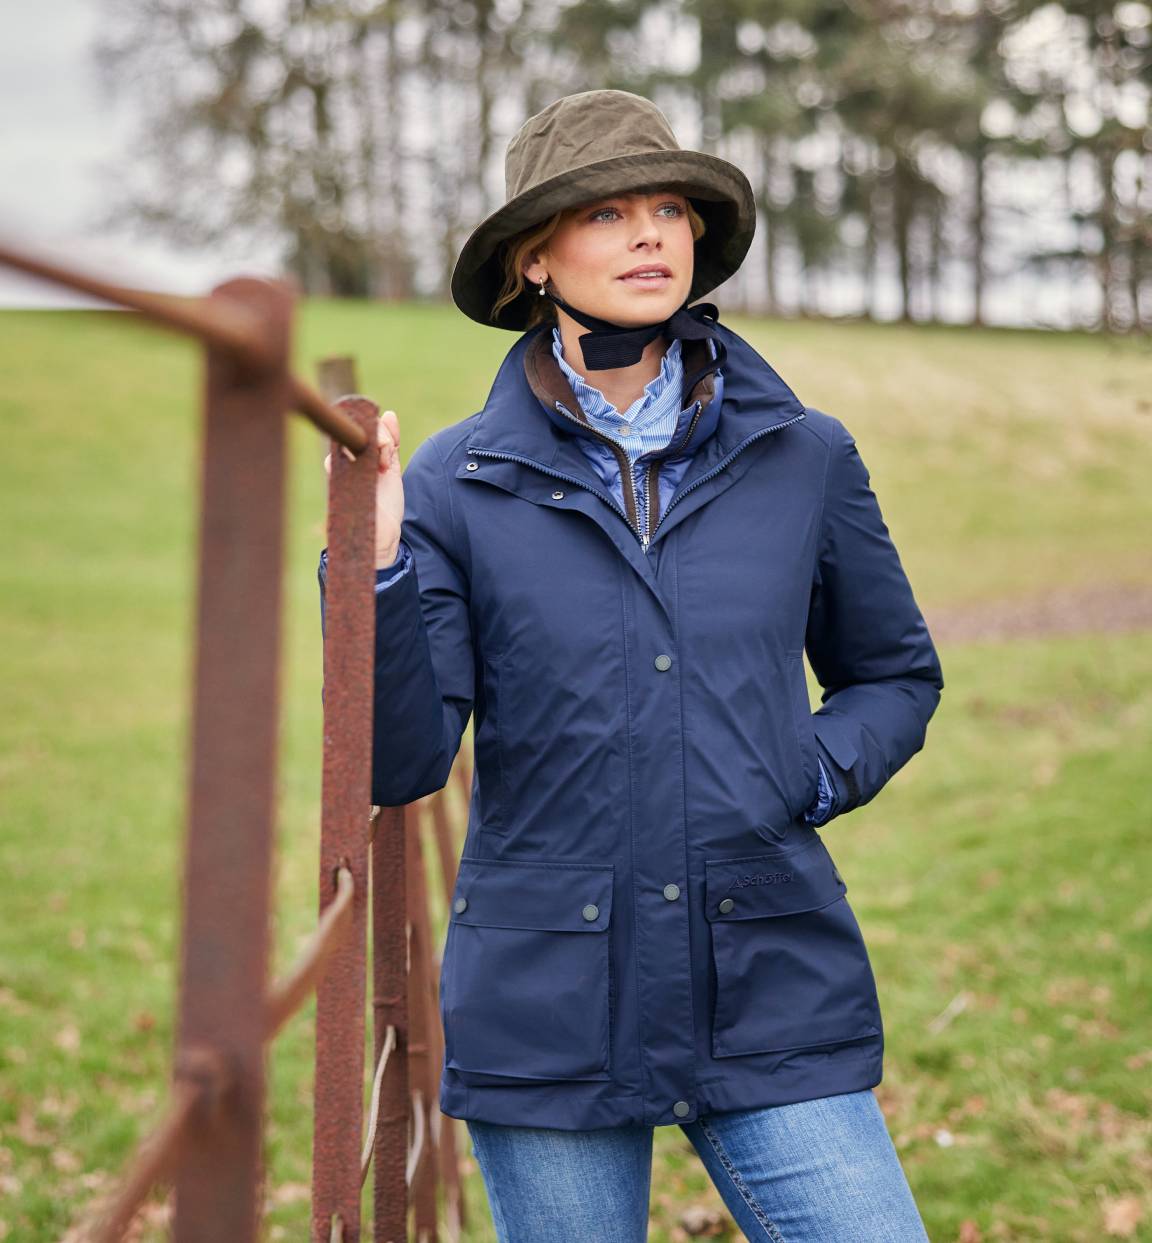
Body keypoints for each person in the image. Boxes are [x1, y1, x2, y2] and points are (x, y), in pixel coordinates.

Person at [319, 89, 943, 1243]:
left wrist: (799, 772)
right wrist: (380, 562)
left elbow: (897, 676)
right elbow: (401, 759)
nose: (651, 233)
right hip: (548, 997)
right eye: (606, 214)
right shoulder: (457, 485)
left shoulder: (803, 456)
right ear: (535, 261)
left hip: (769, 969)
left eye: (668, 208)